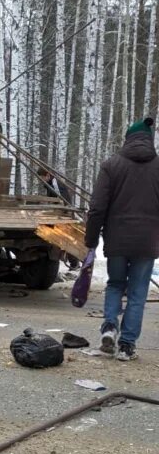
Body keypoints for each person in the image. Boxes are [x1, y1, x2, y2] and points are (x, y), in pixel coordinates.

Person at [84, 117, 159, 361]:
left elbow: (97, 208)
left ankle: (109, 328)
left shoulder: (111, 165)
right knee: (138, 293)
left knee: (115, 284)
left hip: (116, 239)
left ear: (128, 138)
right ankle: (127, 346)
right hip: (147, 242)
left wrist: (91, 239)